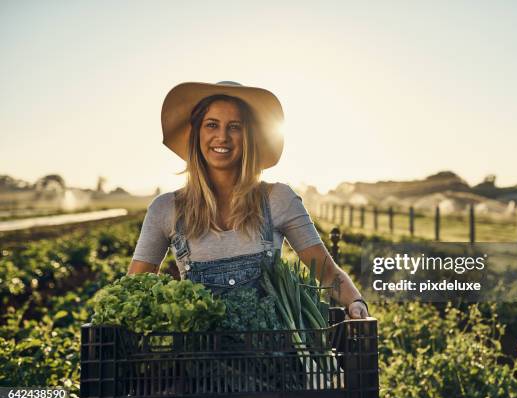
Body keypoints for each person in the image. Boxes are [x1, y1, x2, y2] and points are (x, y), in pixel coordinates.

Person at [128, 81, 369, 319]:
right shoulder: (166, 209)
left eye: (234, 127)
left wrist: (355, 301)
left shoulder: (278, 199)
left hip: (272, 352)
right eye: (212, 125)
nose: (222, 136)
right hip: (200, 354)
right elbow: (135, 288)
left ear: (249, 136)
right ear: (197, 132)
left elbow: (327, 272)